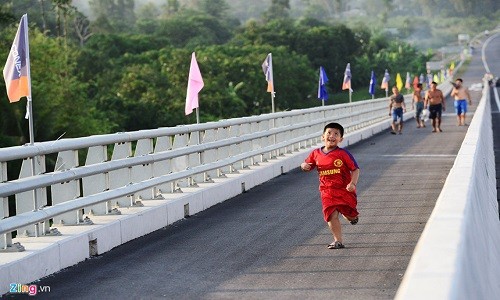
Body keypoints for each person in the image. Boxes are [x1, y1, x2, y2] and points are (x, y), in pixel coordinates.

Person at [300, 122, 360, 250]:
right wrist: (304, 166)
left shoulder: (343, 154)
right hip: (327, 191)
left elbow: (355, 169)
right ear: (323, 136)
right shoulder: (316, 153)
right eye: (329, 133)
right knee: (331, 215)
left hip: (344, 190)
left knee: (350, 214)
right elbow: (307, 165)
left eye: (336, 134)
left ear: (341, 139)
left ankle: (351, 217)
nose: (332, 136)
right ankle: (338, 241)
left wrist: (352, 183)